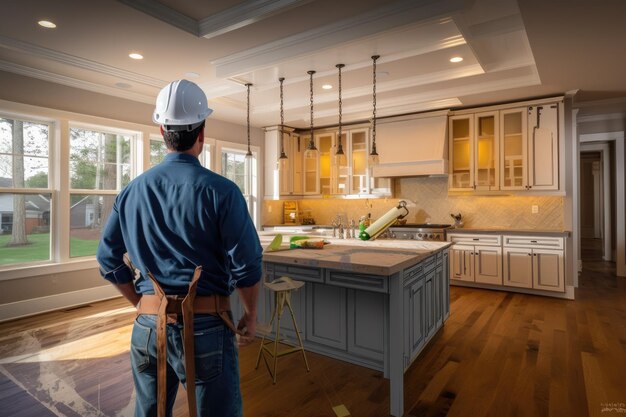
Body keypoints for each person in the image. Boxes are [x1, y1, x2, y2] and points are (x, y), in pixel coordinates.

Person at [96, 79, 262, 417]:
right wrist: (250, 315)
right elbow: (246, 266)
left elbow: (107, 259)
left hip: (146, 328)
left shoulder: (131, 192)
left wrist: (142, 304)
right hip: (206, 327)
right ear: (202, 132)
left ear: (162, 130)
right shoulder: (223, 191)